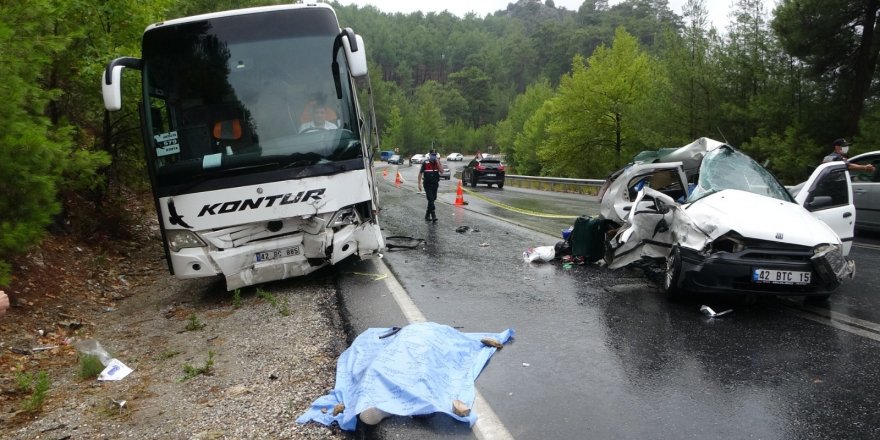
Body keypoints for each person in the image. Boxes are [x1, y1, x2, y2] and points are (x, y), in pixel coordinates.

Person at [417, 150, 443, 222]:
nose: (433, 156)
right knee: (431, 199)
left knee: (433, 199)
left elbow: (442, 171)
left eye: (435, 155)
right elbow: (420, 173)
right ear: (430, 155)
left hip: (435, 184)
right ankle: (433, 215)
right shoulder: (425, 163)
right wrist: (419, 184)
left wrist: (438, 163)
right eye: (432, 154)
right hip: (427, 184)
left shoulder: (437, 162)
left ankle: (427, 215)